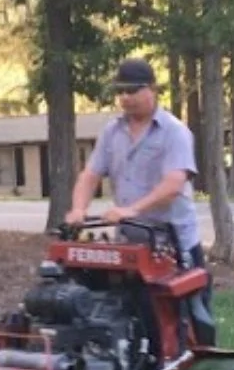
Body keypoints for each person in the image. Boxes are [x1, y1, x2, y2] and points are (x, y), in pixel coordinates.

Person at [66, 57, 216, 339]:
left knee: (188, 321)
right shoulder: (112, 131)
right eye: (120, 91)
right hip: (131, 241)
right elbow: (90, 175)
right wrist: (78, 209)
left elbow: (173, 185)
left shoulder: (174, 132)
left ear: (152, 89)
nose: (125, 98)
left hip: (174, 243)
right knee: (125, 307)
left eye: (132, 90)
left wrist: (131, 210)